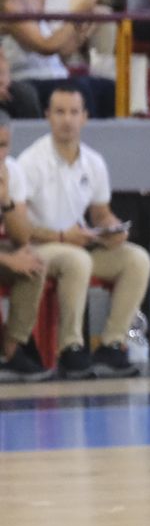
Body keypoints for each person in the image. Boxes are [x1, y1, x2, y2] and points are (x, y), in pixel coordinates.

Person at [13, 86, 150, 377]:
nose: (67, 120)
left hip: (79, 243)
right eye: (60, 112)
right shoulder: (30, 162)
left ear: (85, 118)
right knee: (77, 260)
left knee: (136, 259)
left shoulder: (94, 162)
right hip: (40, 247)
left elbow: (101, 213)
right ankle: (71, 347)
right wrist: (63, 237)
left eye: (74, 112)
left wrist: (112, 229)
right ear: (48, 117)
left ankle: (113, 344)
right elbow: (19, 226)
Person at [0, 115, 51, 381]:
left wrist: (6, 200)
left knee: (33, 262)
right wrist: (8, 261)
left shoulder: (11, 170)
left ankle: (12, 349)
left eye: (3, 145)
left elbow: (21, 238)